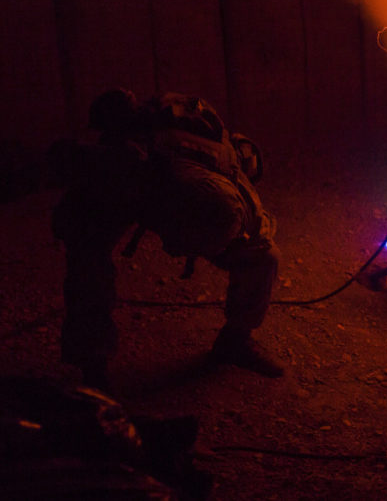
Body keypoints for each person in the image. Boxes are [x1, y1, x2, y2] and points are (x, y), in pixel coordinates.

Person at [50, 88, 284, 389]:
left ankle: (234, 341)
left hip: (189, 194)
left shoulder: (226, 188)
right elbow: (73, 213)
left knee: (264, 256)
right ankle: (92, 368)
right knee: (87, 256)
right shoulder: (123, 167)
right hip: (154, 190)